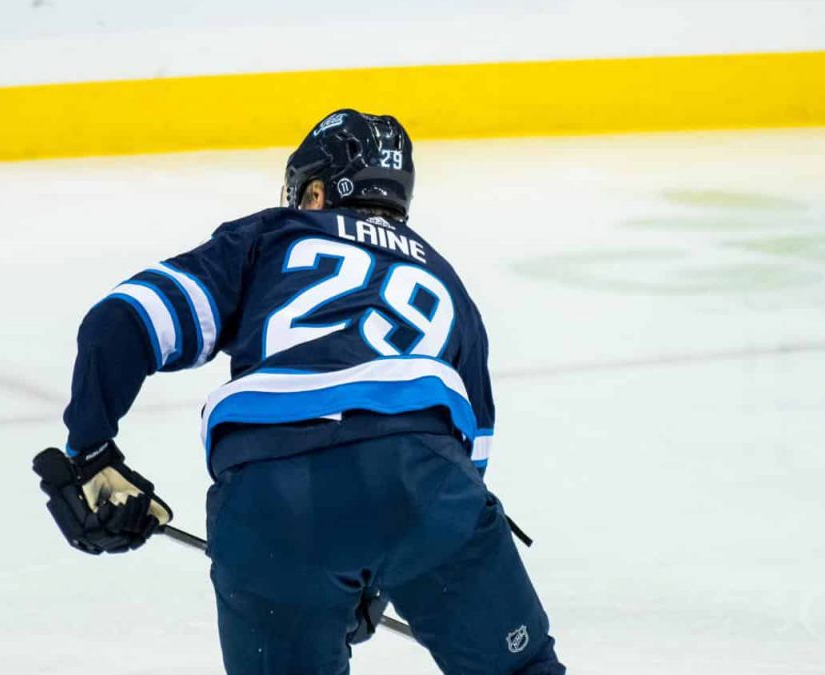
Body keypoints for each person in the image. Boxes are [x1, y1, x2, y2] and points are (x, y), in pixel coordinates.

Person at [32, 109, 566, 675]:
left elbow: (122, 321)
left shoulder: (271, 236)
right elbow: (471, 459)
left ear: (314, 193)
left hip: (272, 499)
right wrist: (380, 574)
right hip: (428, 487)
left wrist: (89, 451)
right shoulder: (448, 284)